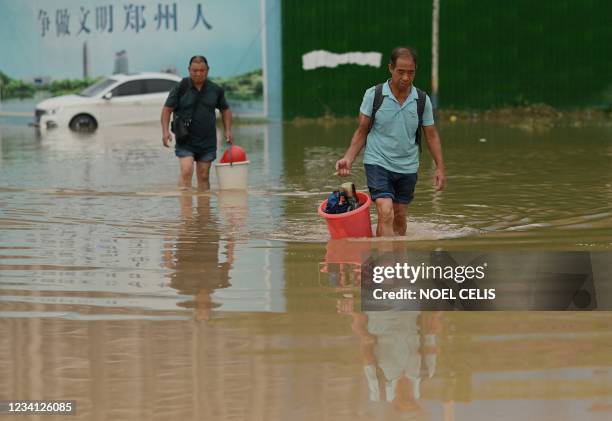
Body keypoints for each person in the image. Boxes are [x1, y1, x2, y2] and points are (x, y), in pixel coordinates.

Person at [335, 47, 446, 237]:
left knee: (400, 216)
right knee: (386, 212)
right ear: (390, 68)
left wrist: (440, 167)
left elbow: (432, 135)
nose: (405, 77)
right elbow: (362, 130)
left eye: (410, 72)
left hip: (408, 166)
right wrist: (348, 158)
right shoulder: (374, 95)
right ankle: (385, 264)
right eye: (400, 72)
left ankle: (398, 263)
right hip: (378, 161)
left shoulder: (422, 100)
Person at [161, 55, 233, 190]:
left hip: (207, 141)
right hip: (185, 139)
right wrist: (165, 131)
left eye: (202, 70)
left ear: (208, 70)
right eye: (195, 71)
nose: (198, 73)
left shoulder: (215, 90)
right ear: (189, 70)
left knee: (204, 175)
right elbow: (167, 110)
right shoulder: (180, 87)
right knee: (187, 171)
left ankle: (204, 210)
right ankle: (185, 209)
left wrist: (228, 130)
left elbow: (225, 109)